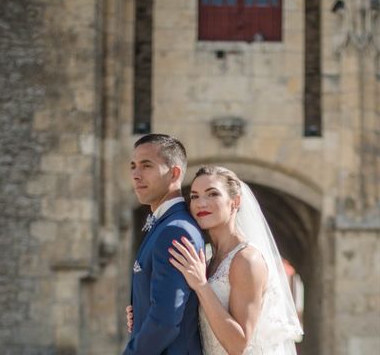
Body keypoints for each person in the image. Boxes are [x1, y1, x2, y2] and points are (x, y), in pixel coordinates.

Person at [169, 166, 303, 355]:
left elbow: (238, 344)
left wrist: (201, 285)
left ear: (235, 202)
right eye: (195, 196)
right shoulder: (206, 260)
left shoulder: (247, 260)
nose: (201, 203)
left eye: (212, 194)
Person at [122, 134, 205, 355]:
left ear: (174, 173)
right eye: (133, 166)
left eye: (146, 166)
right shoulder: (164, 225)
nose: (136, 175)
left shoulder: (175, 230)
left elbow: (165, 322)